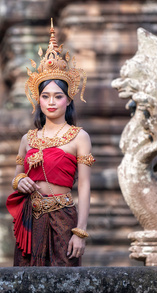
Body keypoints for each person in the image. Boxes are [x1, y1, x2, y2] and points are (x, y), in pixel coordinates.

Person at [6, 20, 95, 266]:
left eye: (58, 96)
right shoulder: (28, 138)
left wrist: (80, 231)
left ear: (68, 100)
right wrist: (20, 181)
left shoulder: (79, 137)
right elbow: (16, 177)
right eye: (45, 96)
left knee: (63, 279)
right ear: (39, 100)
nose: (51, 102)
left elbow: (84, 187)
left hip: (64, 217)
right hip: (30, 218)